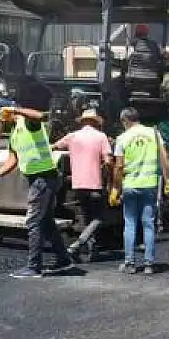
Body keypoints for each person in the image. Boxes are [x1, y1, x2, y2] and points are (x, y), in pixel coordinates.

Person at [0, 105, 74, 279]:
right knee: (46, 221)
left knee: (33, 221)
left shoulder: (28, 124)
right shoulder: (15, 134)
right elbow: (13, 159)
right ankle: (64, 259)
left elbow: (40, 114)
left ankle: (34, 267)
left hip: (44, 177)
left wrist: (15, 109)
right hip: (37, 178)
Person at [111, 107, 169, 274]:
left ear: (125, 121)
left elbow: (118, 166)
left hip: (130, 186)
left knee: (130, 224)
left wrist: (115, 189)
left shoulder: (122, 138)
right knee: (148, 224)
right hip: (149, 185)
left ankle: (130, 263)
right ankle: (148, 265)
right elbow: (165, 158)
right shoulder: (154, 133)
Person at [52, 108, 112, 263]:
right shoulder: (101, 137)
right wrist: (107, 176)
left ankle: (91, 252)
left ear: (84, 122)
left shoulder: (72, 136)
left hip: (78, 184)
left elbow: (54, 146)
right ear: (95, 122)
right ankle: (77, 245)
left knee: (86, 218)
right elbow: (107, 160)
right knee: (99, 218)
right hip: (95, 184)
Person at [123, 23, 169, 96]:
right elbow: (165, 57)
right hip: (153, 82)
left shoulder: (133, 47)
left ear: (136, 34)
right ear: (147, 33)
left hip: (134, 82)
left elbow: (126, 63)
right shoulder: (154, 45)